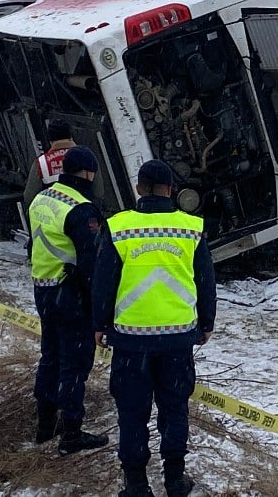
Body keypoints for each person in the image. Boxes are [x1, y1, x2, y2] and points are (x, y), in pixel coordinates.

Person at [93, 159, 217, 497]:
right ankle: (175, 479)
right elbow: (205, 280)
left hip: (131, 340)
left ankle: (135, 484)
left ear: (138, 188)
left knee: (132, 412)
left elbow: (103, 282)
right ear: (172, 190)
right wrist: (206, 322)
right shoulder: (190, 227)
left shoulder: (118, 227)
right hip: (177, 339)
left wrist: (99, 324)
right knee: (174, 407)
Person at [26, 146, 111, 454]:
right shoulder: (82, 209)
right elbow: (92, 264)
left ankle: (45, 424)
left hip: (43, 289)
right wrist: (100, 308)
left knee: (50, 355)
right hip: (70, 294)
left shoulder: (42, 198)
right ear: (88, 173)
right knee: (74, 363)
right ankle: (72, 432)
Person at [23, 119, 77, 213]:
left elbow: (29, 197)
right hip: (84, 217)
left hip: (53, 219)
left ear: (50, 140)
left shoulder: (41, 163)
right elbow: (99, 192)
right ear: (71, 137)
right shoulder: (86, 157)